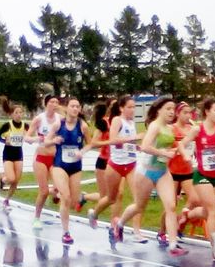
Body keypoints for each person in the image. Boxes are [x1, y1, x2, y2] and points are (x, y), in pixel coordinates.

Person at [113, 97, 188, 256]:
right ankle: (119, 224)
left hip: (162, 172)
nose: (171, 112)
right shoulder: (154, 126)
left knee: (171, 206)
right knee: (139, 206)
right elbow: (145, 146)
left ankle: (173, 244)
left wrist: (181, 153)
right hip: (146, 171)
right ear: (159, 110)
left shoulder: (170, 128)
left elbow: (175, 145)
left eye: (172, 109)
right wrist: (162, 153)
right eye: (167, 109)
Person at [88, 96, 145, 244]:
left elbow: (129, 141)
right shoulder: (117, 121)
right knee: (111, 198)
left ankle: (136, 231)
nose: (133, 110)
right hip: (115, 165)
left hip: (131, 164)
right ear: (121, 108)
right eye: (130, 107)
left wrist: (137, 146)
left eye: (134, 107)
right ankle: (94, 213)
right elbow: (113, 140)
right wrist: (133, 138)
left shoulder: (132, 123)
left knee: (139, 200)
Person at [178, 97, 215, 259]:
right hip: (201, 176)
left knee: (208, 211)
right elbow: (181, 144)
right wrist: (186, 154)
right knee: (214, 210)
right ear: (207, 111)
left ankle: (187, 216)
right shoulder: (198, 130)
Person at [45, 97, 92, 244]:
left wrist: (82, 152)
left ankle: (62, 193)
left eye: (78, 107)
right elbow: (46, 142)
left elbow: (91, 144)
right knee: (65, 197)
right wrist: (54, 141)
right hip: (60, 165)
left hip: (75, 166)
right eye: (73, 106)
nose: (75, 109)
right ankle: (66, 232)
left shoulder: (83, 126)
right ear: (67, 108)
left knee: (73, 201)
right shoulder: (58, 125)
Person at [161, 101, 200, 239]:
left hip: (186, 170)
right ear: (177, 114)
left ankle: (179, 220)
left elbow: (194, 146)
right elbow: (165, 148)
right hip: (172, 171)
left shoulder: (192, 128)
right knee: (171, 204)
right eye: (185, 112)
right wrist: (175, 150)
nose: (188, 115)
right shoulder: (171, 129)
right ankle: (162, 231)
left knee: (195, 199)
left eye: (189, 112)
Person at [24, 94, 62, 230]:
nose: (55, 104)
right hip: (40, 158)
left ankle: (56, 196)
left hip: (55, 158)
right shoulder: (39, 119)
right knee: (44, 191)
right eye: (52, 101)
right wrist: (37, 139)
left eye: (57, 102)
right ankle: (36, 218)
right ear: (46, 104)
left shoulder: (60, 120)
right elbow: (26, 138)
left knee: (59, 188)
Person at [0, 97, 29, 211]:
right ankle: (2, 180)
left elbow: (33, 135)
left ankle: (6, 201)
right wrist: (5, 141)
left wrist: (29, 136)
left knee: (16, 181)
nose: (19, 115)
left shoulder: (25, 125)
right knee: (11, 178)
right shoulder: (7, 125)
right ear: (12, 115)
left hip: (19, 154)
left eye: (20, 112)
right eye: (16, 113)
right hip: (8, 154)